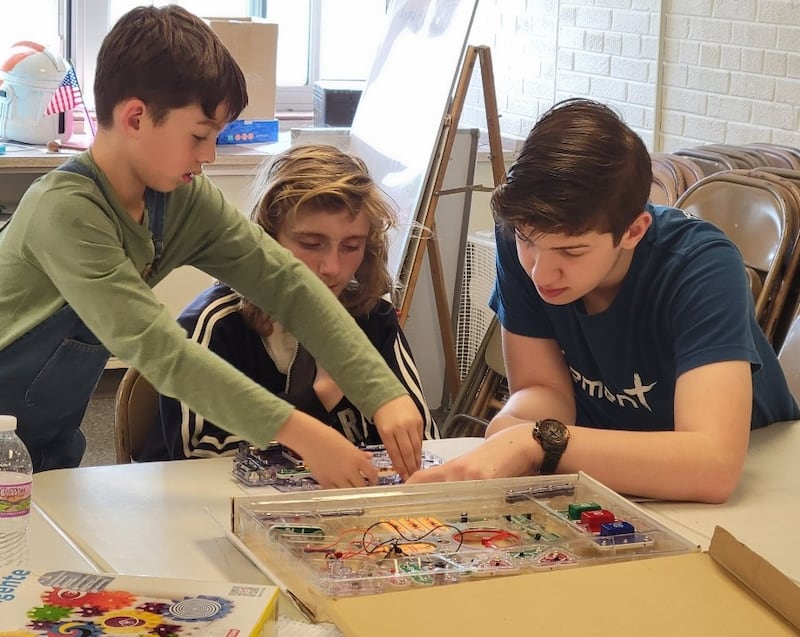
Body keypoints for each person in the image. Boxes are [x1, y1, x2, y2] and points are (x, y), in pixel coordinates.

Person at [0, 5, 424, 486]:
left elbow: (285, 282)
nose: (209, 156)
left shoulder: (181, 200)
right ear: (136, 117)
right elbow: (162, 352)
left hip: (41, 449)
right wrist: (303, 433)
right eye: (199, 136)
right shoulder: (66, 210)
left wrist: (382, 392)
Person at [407, 98, 800, 502]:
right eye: (527, 241)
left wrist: (538, 442)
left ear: (633, 231)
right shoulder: (520, 237)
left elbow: (711, 466)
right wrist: (511, 428)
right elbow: (543, 389)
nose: (541, 272)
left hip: (756, 476)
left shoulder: (700, 266)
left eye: (571, 252)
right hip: (613, 472)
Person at [144, 144, 439, 460]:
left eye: (352, 246)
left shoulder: (373, 316)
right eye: (312, 244)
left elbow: (424, 440)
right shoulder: (216, 324)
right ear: (267, 240)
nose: (332, 268)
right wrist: (316, 401)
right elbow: (197, 454)